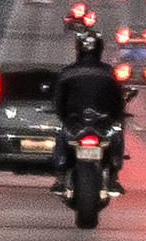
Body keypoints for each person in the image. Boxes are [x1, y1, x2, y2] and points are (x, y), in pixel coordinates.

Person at [51, 29, 127, 194]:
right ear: (100, 49)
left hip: (75, 122)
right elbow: (118, 100)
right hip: (102, 121)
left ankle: (61, 178)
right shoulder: (108, 73)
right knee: (117, 133)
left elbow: (58, 100)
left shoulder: (67, 72)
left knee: (61, 134)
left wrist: (63, 116)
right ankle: (113, 178)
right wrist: (116, 116)